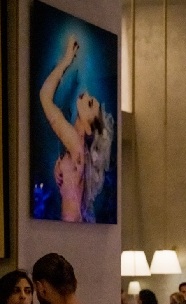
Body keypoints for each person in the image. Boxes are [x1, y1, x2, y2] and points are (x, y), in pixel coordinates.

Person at [39, 35, 114, 223]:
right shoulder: (79, 150)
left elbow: (45, 96)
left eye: (90, 103)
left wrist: (66, 60)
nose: (85, 94)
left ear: (89, 129)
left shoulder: (75, 142)